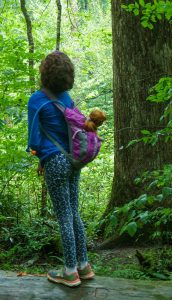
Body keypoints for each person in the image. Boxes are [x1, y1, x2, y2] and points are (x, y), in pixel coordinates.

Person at [27, 51, 95, 287]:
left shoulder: (36, 100)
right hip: (73, 160)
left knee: (64, 216)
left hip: (54, 162)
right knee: (74, 213)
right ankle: (84, 266)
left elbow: (34, 140)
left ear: (45, 73)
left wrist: (39, 157)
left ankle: (68, 271)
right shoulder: (67, 98)